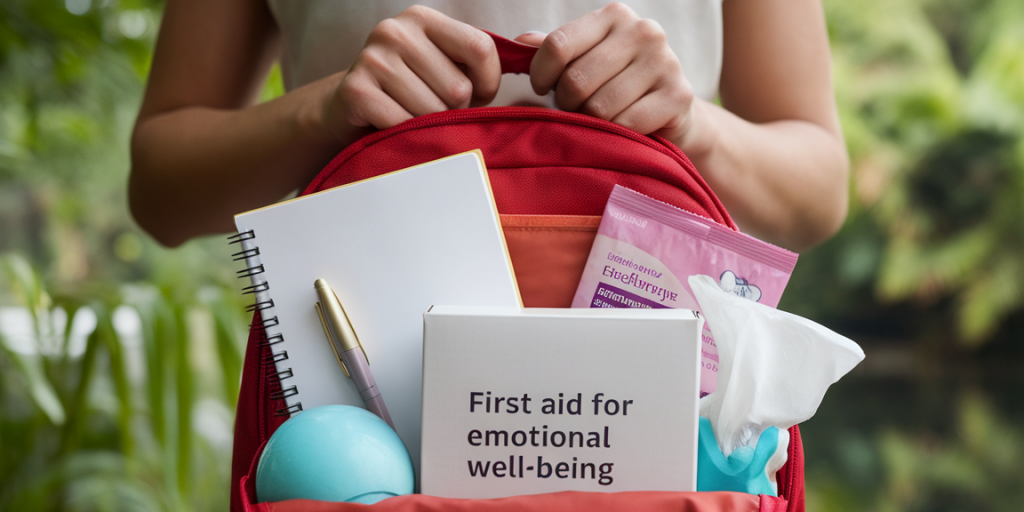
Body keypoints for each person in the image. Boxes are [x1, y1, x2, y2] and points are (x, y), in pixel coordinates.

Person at [129, 1, 848, 252]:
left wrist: (693, 127)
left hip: (666, 423)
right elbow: (161, 191)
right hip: (356, 402)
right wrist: (321, 113)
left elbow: (817, 192)